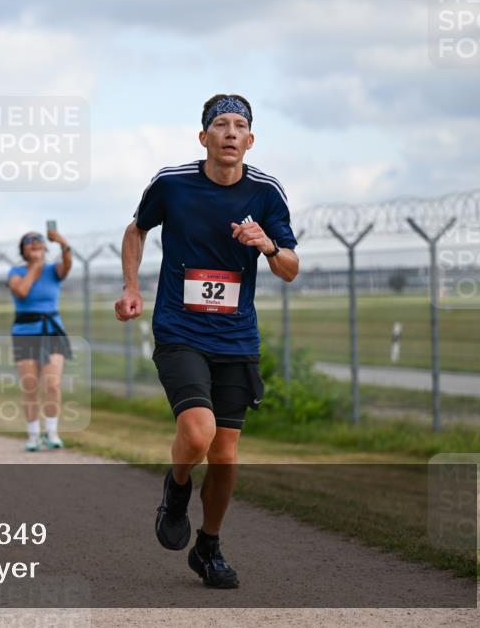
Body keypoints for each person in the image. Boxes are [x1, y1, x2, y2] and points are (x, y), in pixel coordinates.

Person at [115, 94, 299, 589]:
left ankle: (209, 546)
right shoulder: (172, 183)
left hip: (236, 337)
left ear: (251, 140)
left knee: (226, 454)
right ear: (204, 138)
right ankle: (176, 491)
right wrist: (131, 288)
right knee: (198, 435)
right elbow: (136, 231)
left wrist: (268, 245)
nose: (231, 133)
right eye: (221, 125)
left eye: (241, 125)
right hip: (179, 330)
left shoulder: (266, 193)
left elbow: (290, 269)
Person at [6, 228, 73, 451]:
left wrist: (62, 241)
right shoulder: (15, 272)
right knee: (30, 386)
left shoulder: (54, 270)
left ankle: (52, 432)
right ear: (23, 250)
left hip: (52, 330)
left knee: (52, 384)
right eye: (29, 241)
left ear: (45, 246)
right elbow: (22, 291)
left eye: (39, 240)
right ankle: (33, 435)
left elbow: (67, 264)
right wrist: (35, 265)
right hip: (24, 333)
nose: (35, 242)